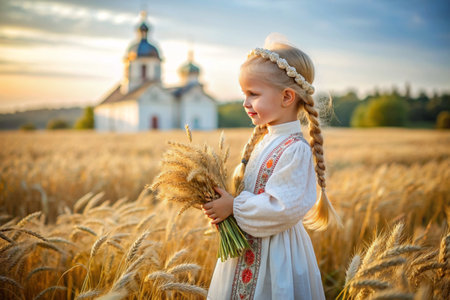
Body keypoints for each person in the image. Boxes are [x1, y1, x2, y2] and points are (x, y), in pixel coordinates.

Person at [201, 39, 342, 300]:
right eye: (244, 94)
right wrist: (225, 212)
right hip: (246, 249)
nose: (245, 102)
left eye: (253, 94)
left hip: (277, 257)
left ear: (287, 97)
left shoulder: (295, 149)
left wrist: (234, 207)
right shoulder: (264, 141)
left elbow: (282, 208)